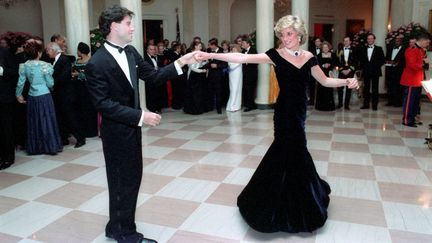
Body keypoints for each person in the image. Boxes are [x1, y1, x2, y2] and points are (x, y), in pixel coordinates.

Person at [196, 15, 358, 233]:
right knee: (287, 150)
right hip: (284, 112)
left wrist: (346, 81)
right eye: (282, 34)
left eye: (289, 33)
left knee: (296, 151)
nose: (285, 38)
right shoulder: (275, 55)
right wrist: (209, 54)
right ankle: (275, 201)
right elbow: (243, 58)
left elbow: (325, 80)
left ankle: (301, 197)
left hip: (299, 112)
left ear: (299, 34)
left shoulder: (309, 57)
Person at [85, 5, 197, 243]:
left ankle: (115, 227)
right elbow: (102, 104)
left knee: (130, 179)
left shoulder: (131, 52)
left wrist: (182, 62)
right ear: (114, 26)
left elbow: (154, 77)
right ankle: (125, 234)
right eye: (128, 23)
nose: (133, 27)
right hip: (116, 132)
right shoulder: (97, 63)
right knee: (122, 181)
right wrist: (140, 116)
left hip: (131, 131)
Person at [15, 41, 63, 155]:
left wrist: (18, 95)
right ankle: (51, 146)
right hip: (45, 95)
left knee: (35, 121)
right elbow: (50, 83)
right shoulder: (45, 65)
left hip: (32, 96)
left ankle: (36, 147)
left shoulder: (24, 66)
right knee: (47, 120)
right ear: (39, 53)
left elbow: (20, 83)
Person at [400, 32, 431, 127]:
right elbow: (412, 65)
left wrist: (426, 62)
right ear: (422, 40)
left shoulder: (421, 50)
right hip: (411, 80)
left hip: (418, 79)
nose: (428, 44)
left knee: (415, 102)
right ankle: (406, 120)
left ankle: (412, 118)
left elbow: (421, 62)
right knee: (409, 101)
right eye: (427, 42)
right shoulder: (411, 50)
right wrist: (427, 65)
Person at [72, 42, 98, 138]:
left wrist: (80, 75)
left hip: (88, 88)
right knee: (81, 109)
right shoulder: (76, 61)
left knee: (89, 108)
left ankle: (92, 131)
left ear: (80, 50)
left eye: (78, 50)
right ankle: (84, 130)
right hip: (78, 89)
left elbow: (93, 75)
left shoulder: (91, 61)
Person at [359, 33, 385, 110]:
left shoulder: (379, 49)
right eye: (368, 39)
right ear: (367, 40)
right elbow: (361, 60)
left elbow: (382, 60)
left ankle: (374, 106)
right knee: (366, 89)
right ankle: (366, 105)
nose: (370, 40)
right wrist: (364, 67)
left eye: (371, 38)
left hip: (375, 72)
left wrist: (375, 66)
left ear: (374, 40)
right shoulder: (363, 48)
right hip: (366, 71)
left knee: (375, 89)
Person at [316, 41, 338, 111]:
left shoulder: (333, 55)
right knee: (321, 89)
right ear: (322, 48)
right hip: (321, 74)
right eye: (324, 47)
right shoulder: (319, 55)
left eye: (326, 47)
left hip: (330, 74)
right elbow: (316, 65)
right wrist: (323, 65)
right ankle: (320, 106)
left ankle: (329, 106)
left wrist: (330, 66)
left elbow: (337, 64)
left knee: (329, 90)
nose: (325, 48)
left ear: (329, 48)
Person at [337, 36, 358, 110]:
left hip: (350, 72)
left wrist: (349, 70)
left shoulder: (354, 50)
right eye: (344, 41)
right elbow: (337, 61)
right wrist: (342, 70)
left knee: (349, 89)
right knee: (340, 89)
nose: (346, 42)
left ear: (350, 42)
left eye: (347, 41)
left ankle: (346, 105)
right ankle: (340, 104)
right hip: (341, 72)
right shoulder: (339, 50)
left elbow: (356, 62)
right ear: (343, 42)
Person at [226, 44, 243, 112]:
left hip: (239, 74)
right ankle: (231, 106)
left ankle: (237, 106)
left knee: (238, 89)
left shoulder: (240, 55)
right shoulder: (230, 55)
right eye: (233, 48)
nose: (233, 49)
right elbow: (230, 64)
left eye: (235, 48)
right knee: (234, 89)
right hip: (233, 74)